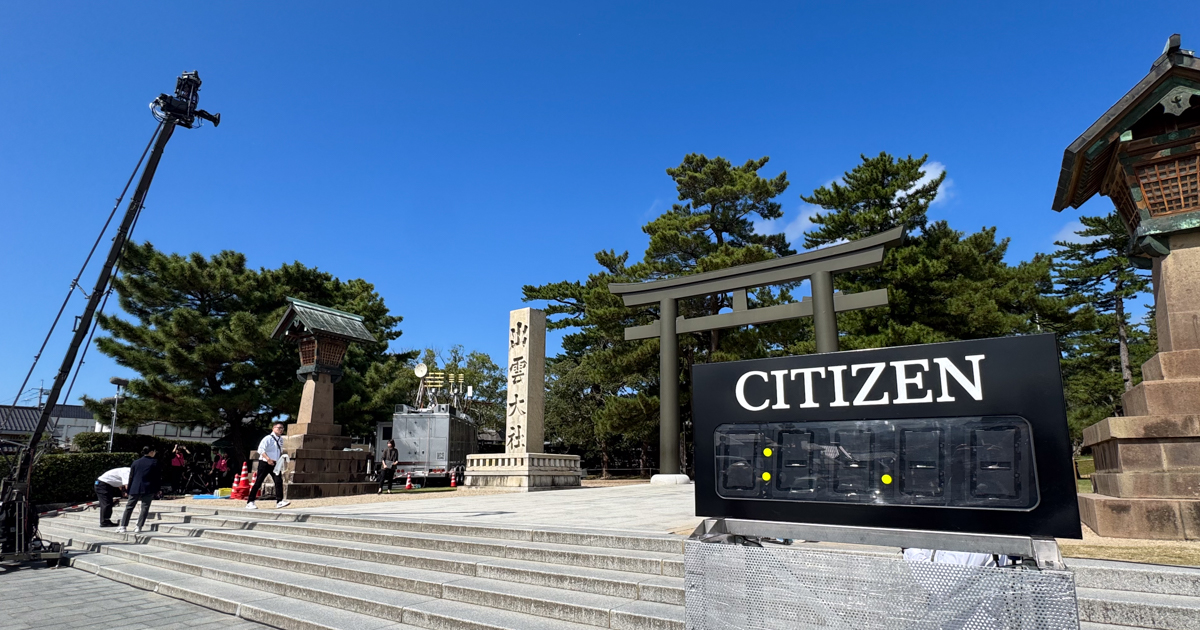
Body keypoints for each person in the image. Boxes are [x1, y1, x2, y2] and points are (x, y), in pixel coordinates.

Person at [246, 422, 290, 510]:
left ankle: (279, 501)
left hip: (275, 463)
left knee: (278, 481)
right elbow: (260, 450)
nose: (281, 430)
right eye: (279, 428)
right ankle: (250, 501)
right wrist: (268, 459)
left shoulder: (280, 439)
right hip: (265, 462)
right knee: (259, 481)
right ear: (273, 428)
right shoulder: (267, 438)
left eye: (282, 428)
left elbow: (279, 451)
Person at [117, 446, 160, 533]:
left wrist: (128, 489)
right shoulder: (154, 462)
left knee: (129, 507)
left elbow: (131, 476)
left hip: (135, 486)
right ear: (151, 452)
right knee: (145, 507)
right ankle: (139, 526)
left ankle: (123, 526)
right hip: (148, 487)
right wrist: (157, 489)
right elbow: (157, 477)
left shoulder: (136, 462)